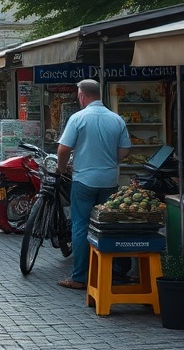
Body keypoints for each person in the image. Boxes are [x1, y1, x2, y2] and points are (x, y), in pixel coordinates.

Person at [56, 78, 131, 290]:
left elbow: (63, 149)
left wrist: (61, 169)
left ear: (82, 96)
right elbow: (125, 150)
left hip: (84, 180)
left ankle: (80, 277)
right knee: (106, 225)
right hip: (109, 180)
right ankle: (111, 272)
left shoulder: (78, 118)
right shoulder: (116, 119)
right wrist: (109, 161)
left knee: (80, 226)